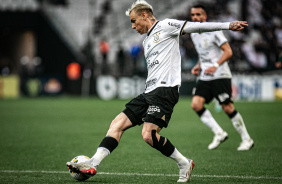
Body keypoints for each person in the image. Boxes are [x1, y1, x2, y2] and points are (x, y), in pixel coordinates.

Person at [67, 0, 248, 182]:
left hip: (165, 90)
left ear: (144, 15)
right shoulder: (146, 42)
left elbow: (196, 27)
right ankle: (93, 163)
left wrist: (228, 25)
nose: (132, 26)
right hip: (149, 92)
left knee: (148, 135)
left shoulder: (167, 25)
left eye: (133, 20)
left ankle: (183, 163)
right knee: (116, 124)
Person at [189, 5, 254, 151]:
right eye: (193, 15)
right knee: (196, 104)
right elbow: (203, 53)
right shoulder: (193, 33)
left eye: (198, 14)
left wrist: (216, 66)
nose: (195, 18)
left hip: (220, 74)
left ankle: (247, 139)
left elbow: (228, 51)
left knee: (227, 108)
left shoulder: (214, 31)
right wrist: (198, 65)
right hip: (205, 75)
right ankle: (219, 133)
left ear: (205, 17)